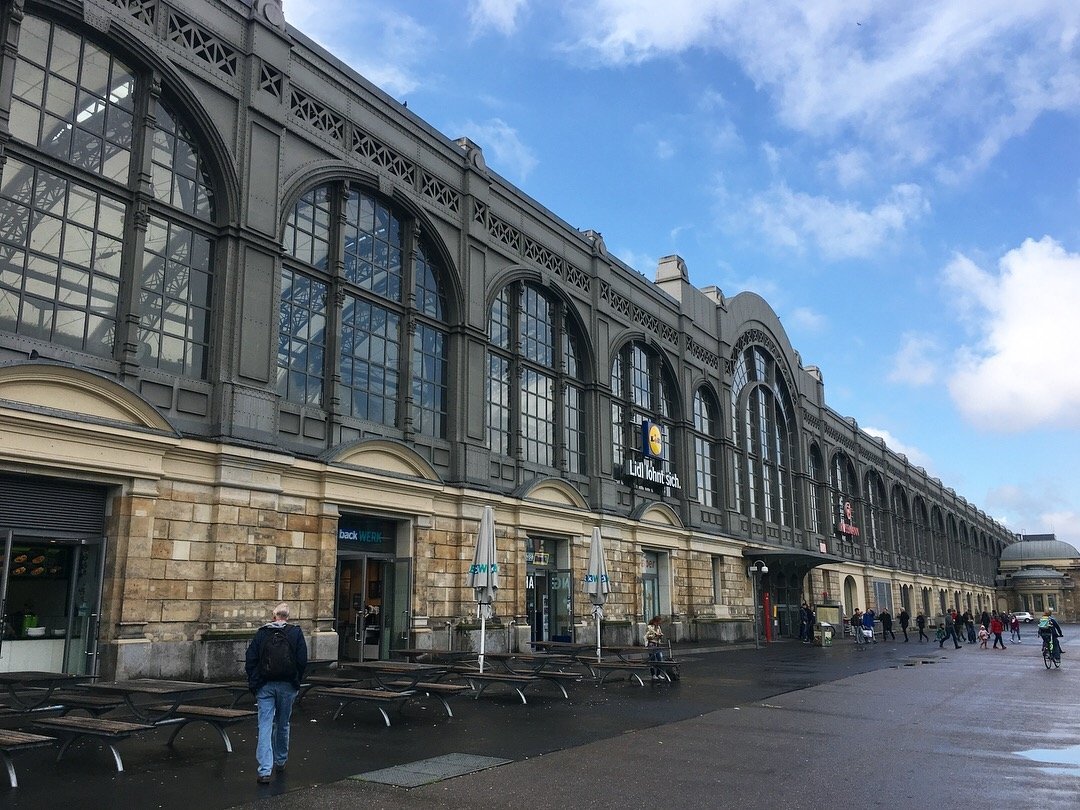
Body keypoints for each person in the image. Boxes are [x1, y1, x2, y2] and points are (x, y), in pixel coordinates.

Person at [245, 602, 308, 784]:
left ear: (274, 617)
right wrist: (296, 680)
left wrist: (255, 681)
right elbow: (302, 660)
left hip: (265, 685)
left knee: (264, 725)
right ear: (287, 617)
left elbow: (251, 659)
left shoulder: (262, 633)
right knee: (283, 723)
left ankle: (265, 770)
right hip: (287, 685)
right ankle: (280, 760)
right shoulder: (295, 633)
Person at [645, 615, 665, 680]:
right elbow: (647, 636)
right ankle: (653, 674)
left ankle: (658, 674)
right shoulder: (649, 627)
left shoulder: (658, 627)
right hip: (651, 644)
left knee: (660, 659)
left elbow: (660, 634)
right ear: (654, 622)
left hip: (657, 644)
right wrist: (654, 635)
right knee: (652, 659)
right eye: (657, 622)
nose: (658, 624)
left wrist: (660, 635)